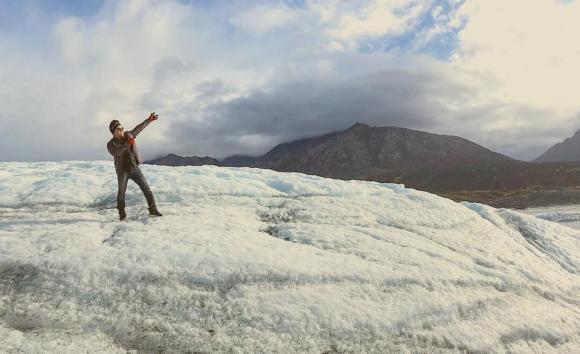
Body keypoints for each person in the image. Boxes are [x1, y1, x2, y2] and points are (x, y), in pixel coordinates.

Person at [107, 112, 163, 221]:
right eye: (119, 128)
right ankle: (122, 214)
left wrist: (149, 120)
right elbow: (117, 152)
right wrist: (128, 143)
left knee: (147, 189)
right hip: (122, 171)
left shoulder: (129, 135)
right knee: (121, 194)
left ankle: (153, 209)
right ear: (114, 131)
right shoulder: (111, 144)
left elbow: (138, 128)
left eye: (122, 127)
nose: (122, 130)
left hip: (134, 168)